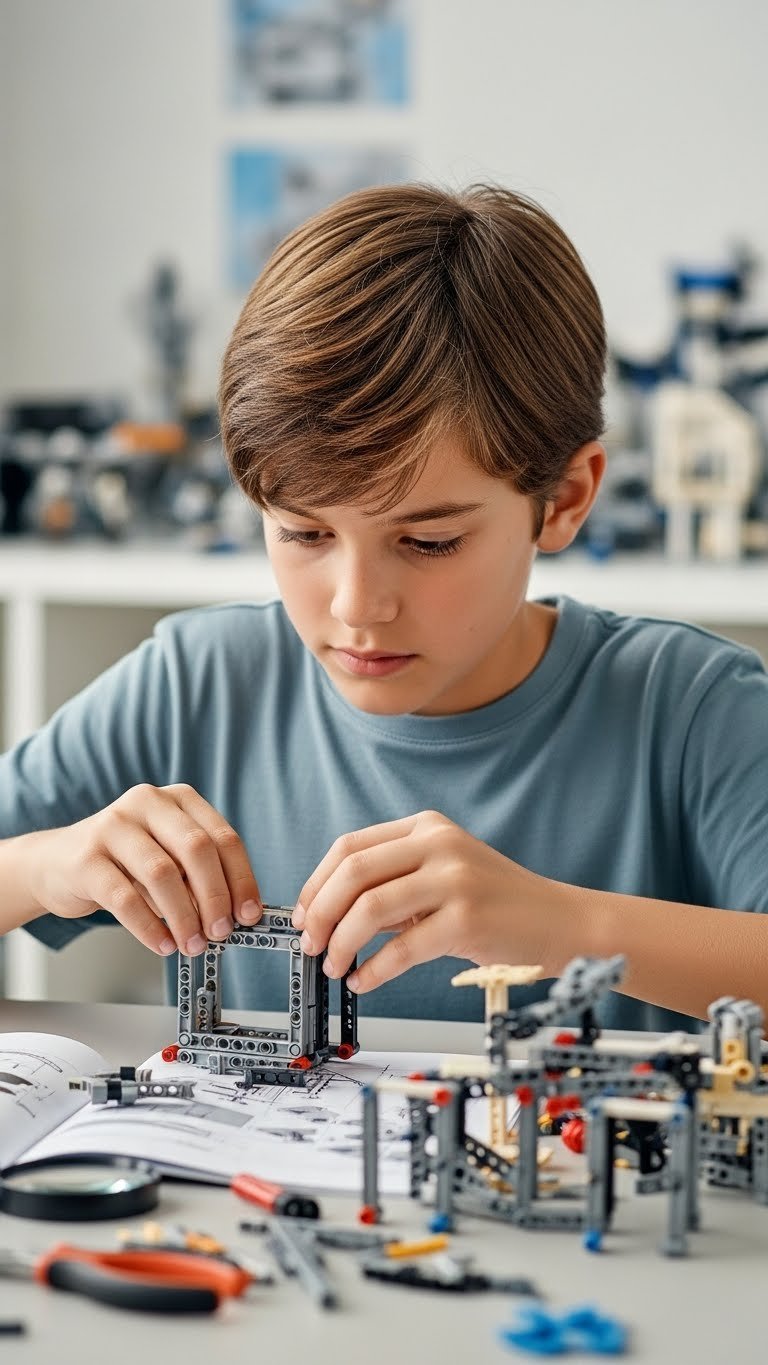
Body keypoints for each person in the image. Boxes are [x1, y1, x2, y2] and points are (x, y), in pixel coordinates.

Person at [1, 183, 767, 1033]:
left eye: (430, 542)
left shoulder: (694, 707)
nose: (357, 605)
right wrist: (43, 867)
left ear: (565, 498)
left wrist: (562, 924)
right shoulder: (198, 685)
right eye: (301, 532)